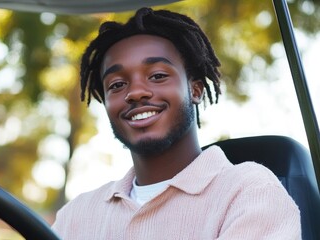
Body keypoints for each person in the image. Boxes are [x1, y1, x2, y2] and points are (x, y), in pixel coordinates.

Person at [52, 7, 301, 239]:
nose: (135, 92)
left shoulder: (249, 192)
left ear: (195, 90)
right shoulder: (75, 216)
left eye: (158, 76)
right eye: (117, 85)